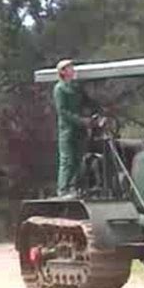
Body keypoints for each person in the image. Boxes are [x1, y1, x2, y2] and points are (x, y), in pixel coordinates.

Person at [53, 59, 91, 197]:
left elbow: (88, 101)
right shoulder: (59, 89)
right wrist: (81, 121)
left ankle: (74, 188)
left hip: (80, 131)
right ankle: (63, 189)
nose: (72, 69)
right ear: (62, 72)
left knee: (78, 159)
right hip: (67, 130)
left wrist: (99, 111)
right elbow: (63, 111)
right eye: (69, 67)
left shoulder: (76, 87)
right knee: (67, 160)